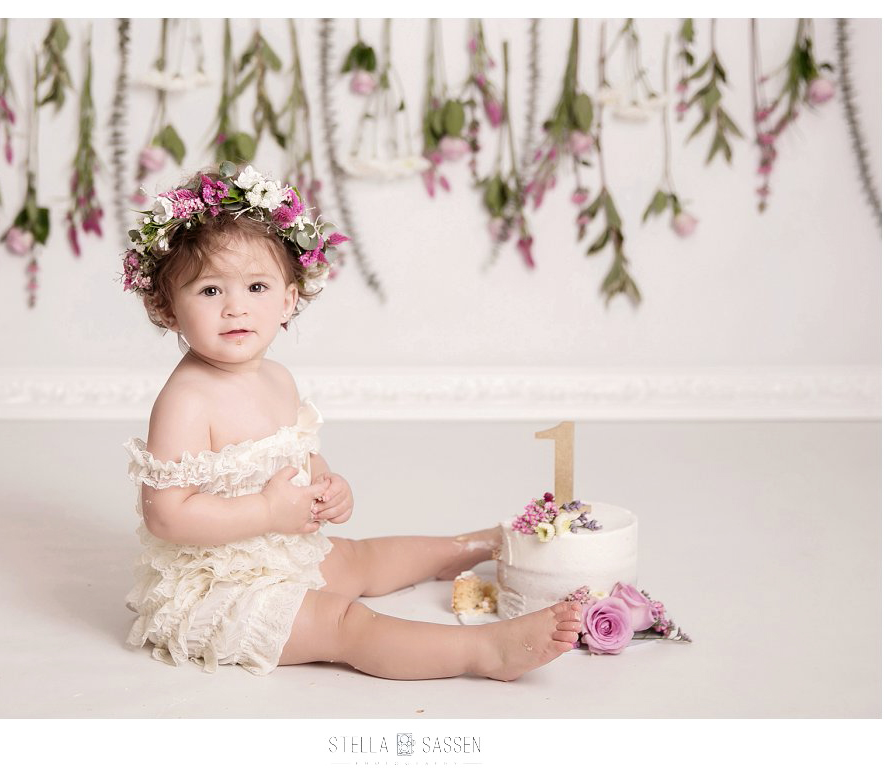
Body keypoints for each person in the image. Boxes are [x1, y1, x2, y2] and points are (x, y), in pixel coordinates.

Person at [121, 163, 582, 681]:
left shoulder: (276, 377)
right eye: (209, 291)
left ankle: (464, 548)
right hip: (221, 588)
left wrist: (324, 483)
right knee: (345, 621)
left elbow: (295, 453)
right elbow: (167, 516)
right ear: (167, 306)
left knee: (357, 559)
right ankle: (485, 651)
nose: (235, 309)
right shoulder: (187, 400)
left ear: (288, 299)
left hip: (278, 546)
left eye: (255, 287)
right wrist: (268, 510)